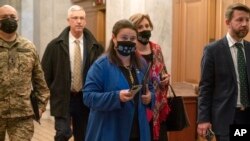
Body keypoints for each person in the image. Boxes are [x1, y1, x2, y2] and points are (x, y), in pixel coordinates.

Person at [83, 19, 155, 141]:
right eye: (124, 37)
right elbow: (88, 97)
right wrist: (116, 97)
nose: (129, 41)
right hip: (110, 131)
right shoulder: (101, 65)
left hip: (138, 131)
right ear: (114, 38)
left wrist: (150, 97)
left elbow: (150, 88)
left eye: (132, 39)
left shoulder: (141, 63)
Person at [41, 5, 104, 141]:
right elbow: (44, 74)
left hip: (85, 99)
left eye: (82, 18)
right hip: (63, 97)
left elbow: (102, 74)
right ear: (68, 20)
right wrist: (44, 98)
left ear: (85, 21)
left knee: (84, 136)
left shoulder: (96, 47)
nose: (79, 21)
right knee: (62, 134)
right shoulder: (54, 46)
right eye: (75, 18)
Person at [197, 3, 250, 141]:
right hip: (225, 117)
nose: (244, 24)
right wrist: (203, 119)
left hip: (246, 116)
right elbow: (205, 87)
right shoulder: (213, 50)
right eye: (239, 20)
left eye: (247, 20)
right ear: (228, 22)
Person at [0, 5, 50, 141]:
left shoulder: (28, 47)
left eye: (12, 17)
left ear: (18, 20)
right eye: (4, 17)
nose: (9, 20)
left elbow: (40, 80)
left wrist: (40, 106)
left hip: (22, 115)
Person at [129, 13, 171, 141]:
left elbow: (163, 71)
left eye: (147, 26)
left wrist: (165, 79)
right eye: (140, 27)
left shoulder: (156, 49)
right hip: (137, 108)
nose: (145, 29)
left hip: (156, 106)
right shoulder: (130, 51)